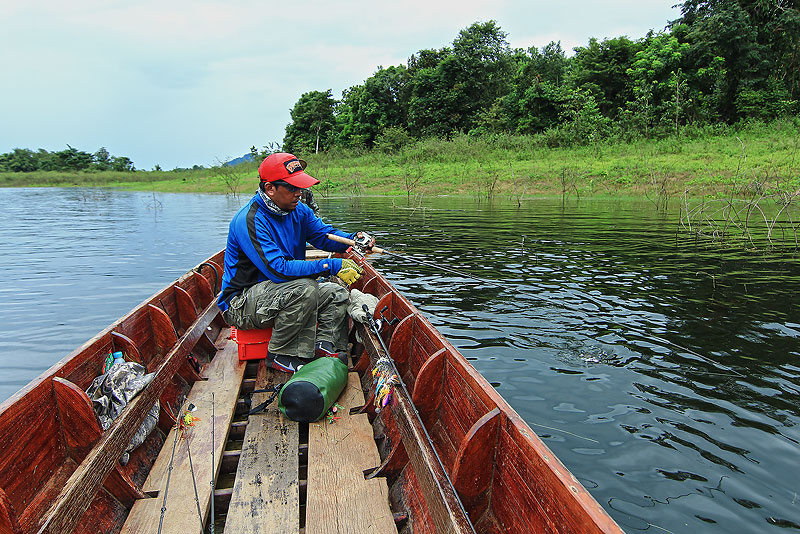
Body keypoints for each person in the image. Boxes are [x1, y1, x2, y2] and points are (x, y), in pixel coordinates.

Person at [217, 152, 374, 372]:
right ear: (270, 188)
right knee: (305, 288)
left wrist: (353, 240)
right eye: (292, 188)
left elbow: (322, 235)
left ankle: (325, 345)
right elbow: (279, 271)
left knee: (336, 293)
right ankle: (282, 354)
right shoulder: (249, 221)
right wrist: (332, 266)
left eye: (300, 188)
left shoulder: (298, 209)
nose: (299, 193)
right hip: (242, 303)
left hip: (281, 293)